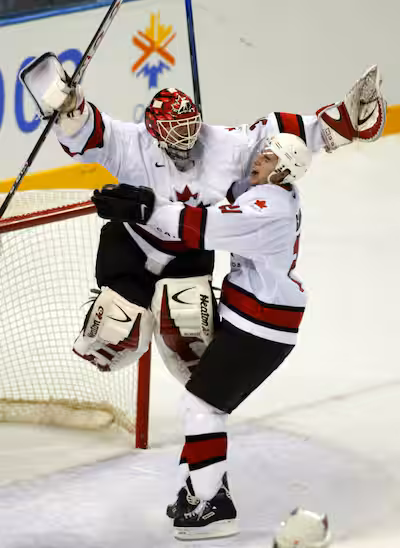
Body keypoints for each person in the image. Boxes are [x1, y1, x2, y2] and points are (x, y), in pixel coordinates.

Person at [20, 55, 386, 386]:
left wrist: (337, 123)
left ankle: (201, 403)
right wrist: (71, 109)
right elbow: (90, 133)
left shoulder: (222, 144)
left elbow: (275, 134)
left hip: (188, 254)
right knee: (113, 332)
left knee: (190, 330)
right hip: (132, 247)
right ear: (156, 134)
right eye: (177, 133)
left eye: (190, 128)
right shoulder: (130, 144)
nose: (188, 140)